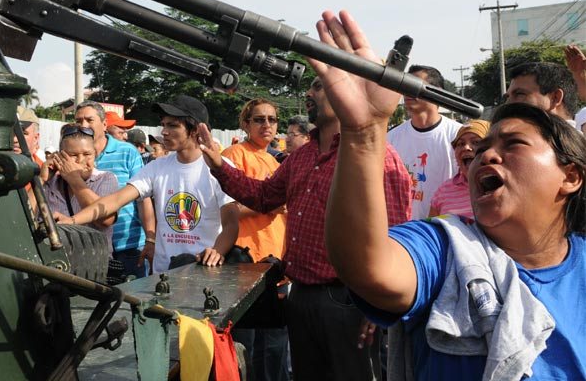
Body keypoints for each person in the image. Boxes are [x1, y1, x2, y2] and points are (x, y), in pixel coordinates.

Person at [315, 10, 586, 380]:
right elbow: (369, 266)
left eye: (514, 144)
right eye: (482, 147)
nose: (484, 156)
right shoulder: (445, 248)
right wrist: (363, 132)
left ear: (570, 176)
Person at [198, 74, 412, 380]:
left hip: (350, 301)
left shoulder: (376, 157)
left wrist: (380, 303)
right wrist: (219, 165)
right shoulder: (300, 157)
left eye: (320, 85)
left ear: (348, 94)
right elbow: (263, 196)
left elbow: (397, 232)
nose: (310, 92)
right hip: (300, 297)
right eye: (311, 85)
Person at [57, 96, 239, 272]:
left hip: (203, 272)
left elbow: (231, 224)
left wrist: (217, 252)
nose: (164, 132)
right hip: (164, 275)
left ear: (196, 130)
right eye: (164, 125)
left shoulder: (219, 168)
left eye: (173, 125)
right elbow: (116, 200)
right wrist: (71, 221)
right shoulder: (157, 167)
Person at [221, 98, 289, 381]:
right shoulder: (235, 154)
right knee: (245, 346)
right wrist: (267, 204)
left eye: (272, 119)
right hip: (245, 261)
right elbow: (227, 208)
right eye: (259, 119)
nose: (267, 125)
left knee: (273, 347)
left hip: (276, 263)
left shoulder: (274, 160)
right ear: (245, 124)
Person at [74, 101, 152, 279]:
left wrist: (150, 239)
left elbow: (143, 199)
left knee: (133, 300)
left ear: (104, 124)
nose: (83, 125)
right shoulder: (72, 155)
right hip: (90, 248)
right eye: (78, 121)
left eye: (89, 120)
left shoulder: (127, 152)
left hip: (129, 246)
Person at [387, 65, 462, 219]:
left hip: (444, 231)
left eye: (415, 85)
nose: (408, 92)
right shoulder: (391, 138)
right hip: (404, 233)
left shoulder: (459, 136)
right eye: (405, 85)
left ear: (438, 92)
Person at [44, 124, 118, 254]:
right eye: (73, 155)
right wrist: (41, 180)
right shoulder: (51, 182)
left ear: (95, 154)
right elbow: (27, 217)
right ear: (60, 156)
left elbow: (105, 220)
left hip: (93, 264)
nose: (81, 160)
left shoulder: (105, 179)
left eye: (87, 154)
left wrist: (74, 179)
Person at [428, 120, 490, 220]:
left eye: (476, 142)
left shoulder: (501, 188)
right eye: (461, 144)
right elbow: (430, 231)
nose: (466, 147)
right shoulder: (443, 191)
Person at [506, 62, 580, 126]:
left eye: (520, 94)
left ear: (555, 98)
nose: (508, 103)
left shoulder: (575, 142)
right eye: (508, 96)